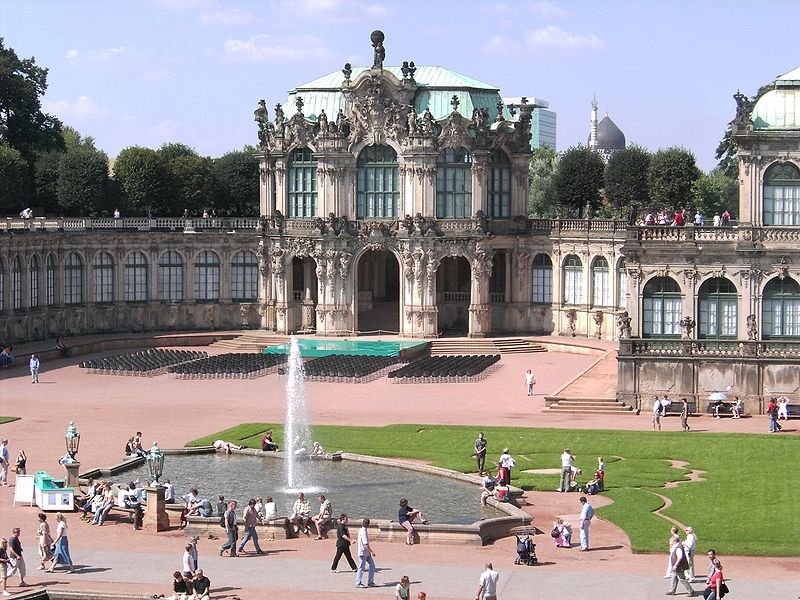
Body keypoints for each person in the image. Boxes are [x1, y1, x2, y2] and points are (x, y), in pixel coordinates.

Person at [355, 518, 376, 588]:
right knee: (361, 568)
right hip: (363, 552)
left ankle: (370, 581)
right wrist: (372, 551)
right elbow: (365, 545)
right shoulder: (363, 532)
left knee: (372, 566)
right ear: (368, 524)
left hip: (366, 553)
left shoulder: (361, 530)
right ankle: (358, 583)